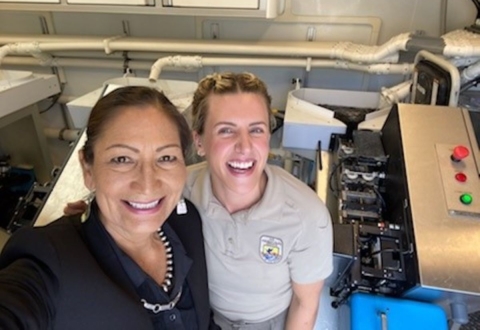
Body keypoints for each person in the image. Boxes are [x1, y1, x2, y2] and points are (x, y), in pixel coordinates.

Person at [65, 72, 334, 330]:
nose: (244, 146)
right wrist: (93, 208)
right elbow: (130, 201)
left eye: (256, 130)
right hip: (201, 314)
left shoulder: (306, 215)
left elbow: (305, 303)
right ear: (199, 141)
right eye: (226, 131)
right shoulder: (179, 189)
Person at [0, 86, 219, 330]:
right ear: (88, 169)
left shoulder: (186, 221)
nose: (147, 184)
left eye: (166, 158)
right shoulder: (49, 260)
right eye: (122, 159)